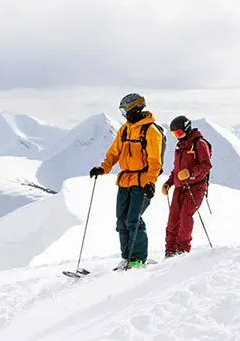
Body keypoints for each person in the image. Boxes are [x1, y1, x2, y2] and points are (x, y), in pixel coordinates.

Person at [89, 93, 165, 270]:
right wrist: (103, 168)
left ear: (136, 109)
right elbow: (114, 152)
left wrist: (151, 182)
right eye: (121, 111)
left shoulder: (151, 131)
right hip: (124, 181)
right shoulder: (125, 130)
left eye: (125, 110)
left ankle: (138, 260)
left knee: (133, 220)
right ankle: (126, 258)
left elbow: (155, 161)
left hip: (142, 182)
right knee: (121, 221)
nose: (123, 114)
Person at [161, 115, 212, 258]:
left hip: (195, 187)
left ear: (187, 128)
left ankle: (182, 250)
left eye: (179, 133)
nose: (177, 137)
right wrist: (169, 183)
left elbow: (206, 165)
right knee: (173, 219)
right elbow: (177, 170)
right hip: (179, 188)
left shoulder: (199, 144)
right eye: (174, 134)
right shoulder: (181, 146)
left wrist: (190, 173)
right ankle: (170, 251)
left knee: (185, 217)